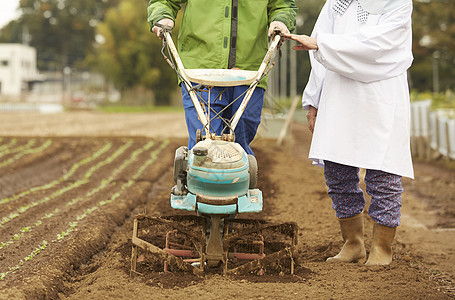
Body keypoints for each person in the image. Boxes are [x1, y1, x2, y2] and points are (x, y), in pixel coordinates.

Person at [284, 0, 414, 265]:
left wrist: (324, 45)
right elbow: (317, 52)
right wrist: (314, 101)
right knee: (337, 170)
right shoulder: (337, 2)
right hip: (338, 92)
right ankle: (353, 244)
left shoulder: (398, 2)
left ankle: (382, 248)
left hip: (381, 92)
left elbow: (380, 43)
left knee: (383, 171)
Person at [147, 0, 297, 155]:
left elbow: (282, 4)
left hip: (250, 70)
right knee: (205, 142)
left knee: (241, 138)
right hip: (200, 68)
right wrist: (162, 16)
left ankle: (239, 176)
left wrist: (281, 20)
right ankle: (200, 175)